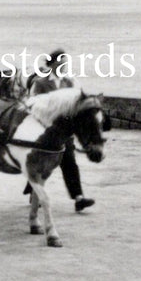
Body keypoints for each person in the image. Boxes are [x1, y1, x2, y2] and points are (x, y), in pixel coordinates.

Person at [30, 49, 96, 213]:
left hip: (65, 132)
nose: (63, 66)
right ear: (52, 64)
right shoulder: (40, 83)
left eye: (65, 63)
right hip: (45, 131)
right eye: (60, 63)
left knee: (69, 162)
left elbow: (79, 103)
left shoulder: (71, 82)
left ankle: (78, 198)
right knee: (39, 163)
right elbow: (33, 104)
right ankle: (34, 192)